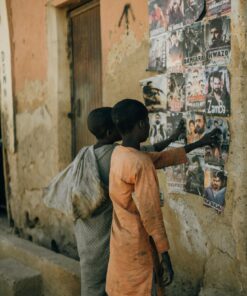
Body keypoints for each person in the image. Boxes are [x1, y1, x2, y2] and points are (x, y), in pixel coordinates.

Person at [44, 106, 186, 296]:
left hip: (86, 233)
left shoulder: (86, 152)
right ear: (111, 132)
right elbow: (148, 156)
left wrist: (173, 138)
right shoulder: (117, 154)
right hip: (104, 234)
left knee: (94, 285)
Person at [106, 98, 221, 296]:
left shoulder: (120, 153)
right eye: (148, 121)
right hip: (138, 245)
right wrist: (164, 254)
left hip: (121, 242)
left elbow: (160, 158)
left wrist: (199, 143)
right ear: (142, 124)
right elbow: (151, 214)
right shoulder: (140, 163)